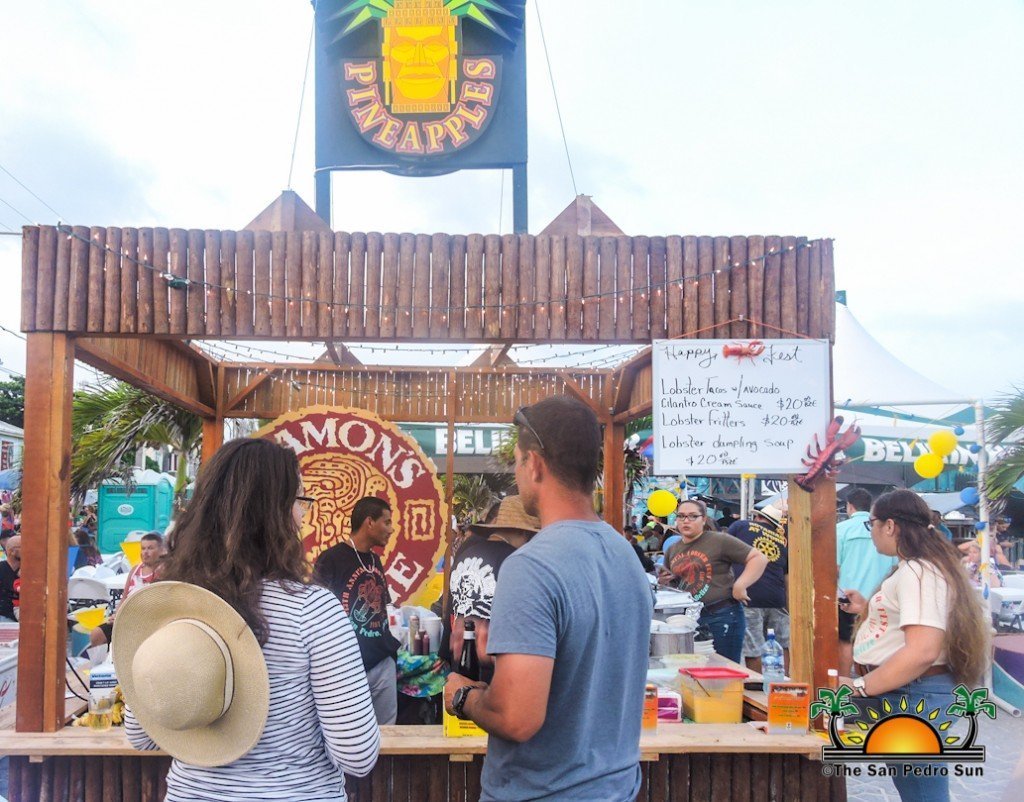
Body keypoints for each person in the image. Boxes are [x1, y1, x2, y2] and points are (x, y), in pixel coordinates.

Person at [118, 437, 380, 801]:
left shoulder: (171, 603)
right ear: (277, 514)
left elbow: (140, 735)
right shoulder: (312, 610)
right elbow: (357, 753)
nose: (303, 515)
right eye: (299, 501)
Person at [444, 396, 653, 801]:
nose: (517, 473)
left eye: (517, 462)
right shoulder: (624, 553)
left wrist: (463, 695)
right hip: (616, 789)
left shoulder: (531, 566)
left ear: (535, 464)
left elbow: (516, 718)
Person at [838, 489, 989, 802]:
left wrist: (861, 686)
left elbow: (922, 651)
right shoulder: (917, 568)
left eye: (871, 524)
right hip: (910, 690)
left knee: (921, 791)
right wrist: (868, 607)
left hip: (913, 692)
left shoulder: (919, 571)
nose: (871, 532)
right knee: (917, 788)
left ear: (890, 526)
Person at [315, 496, 401, 725]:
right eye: (386, 522)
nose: (391, 529)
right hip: (347, 668)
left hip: (382, 663)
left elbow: (382, 606)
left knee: (389, 736)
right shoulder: (330, 559)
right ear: (369, 522)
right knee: (350, 733)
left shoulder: (374, 560)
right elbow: (317, 615)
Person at [442, 495, 541, 683]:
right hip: (496, 678)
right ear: (524, 533)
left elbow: (450, 613)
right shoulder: (516, 562)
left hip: (459, 667)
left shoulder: (465, 555)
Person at [660, 498, 768, 664]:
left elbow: (758, 558)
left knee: (723, 668)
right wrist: (664, 582)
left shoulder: (719, 540)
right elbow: (674, 583)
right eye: (681, 516)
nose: (686, 521)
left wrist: (741, 584)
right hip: (687, 618)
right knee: (692, 668)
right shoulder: (673, 549)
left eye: (692, 516)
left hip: (721, 614)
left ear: (703, 519)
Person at [836, 488, 896, 677]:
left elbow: (834, 567)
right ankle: (870, 681)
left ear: (849, 506)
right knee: (876, 640)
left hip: (848, 596)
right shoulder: (886, 531)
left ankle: (844, 683)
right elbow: (895, 566)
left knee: (846, 642)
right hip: (881, 596)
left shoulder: (841, 529)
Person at [728, 506, 789, 673]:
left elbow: (723, 549)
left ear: (758, 518)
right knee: (782, 645)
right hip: (777, 598)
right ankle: (786, 683)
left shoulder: (741, 526)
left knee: (753, 648)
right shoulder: (782, 541)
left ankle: (757, 684)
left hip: (749, 595)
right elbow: (787, 575)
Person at [90, 531, 166, 647]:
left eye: (150, 548)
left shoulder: (164, 573)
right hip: (126, 618)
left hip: (148, 621)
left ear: (161, 551)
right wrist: (117, 615)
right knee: (97, 634)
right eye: (143, 548)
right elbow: (124, 597)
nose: (145, 552)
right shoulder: (135, 570)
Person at [0, 534, 20, 622]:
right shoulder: (1, 569)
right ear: (12, 551)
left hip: (23, 618)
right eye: (22, 547)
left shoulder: (27, 571)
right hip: (4, 618)